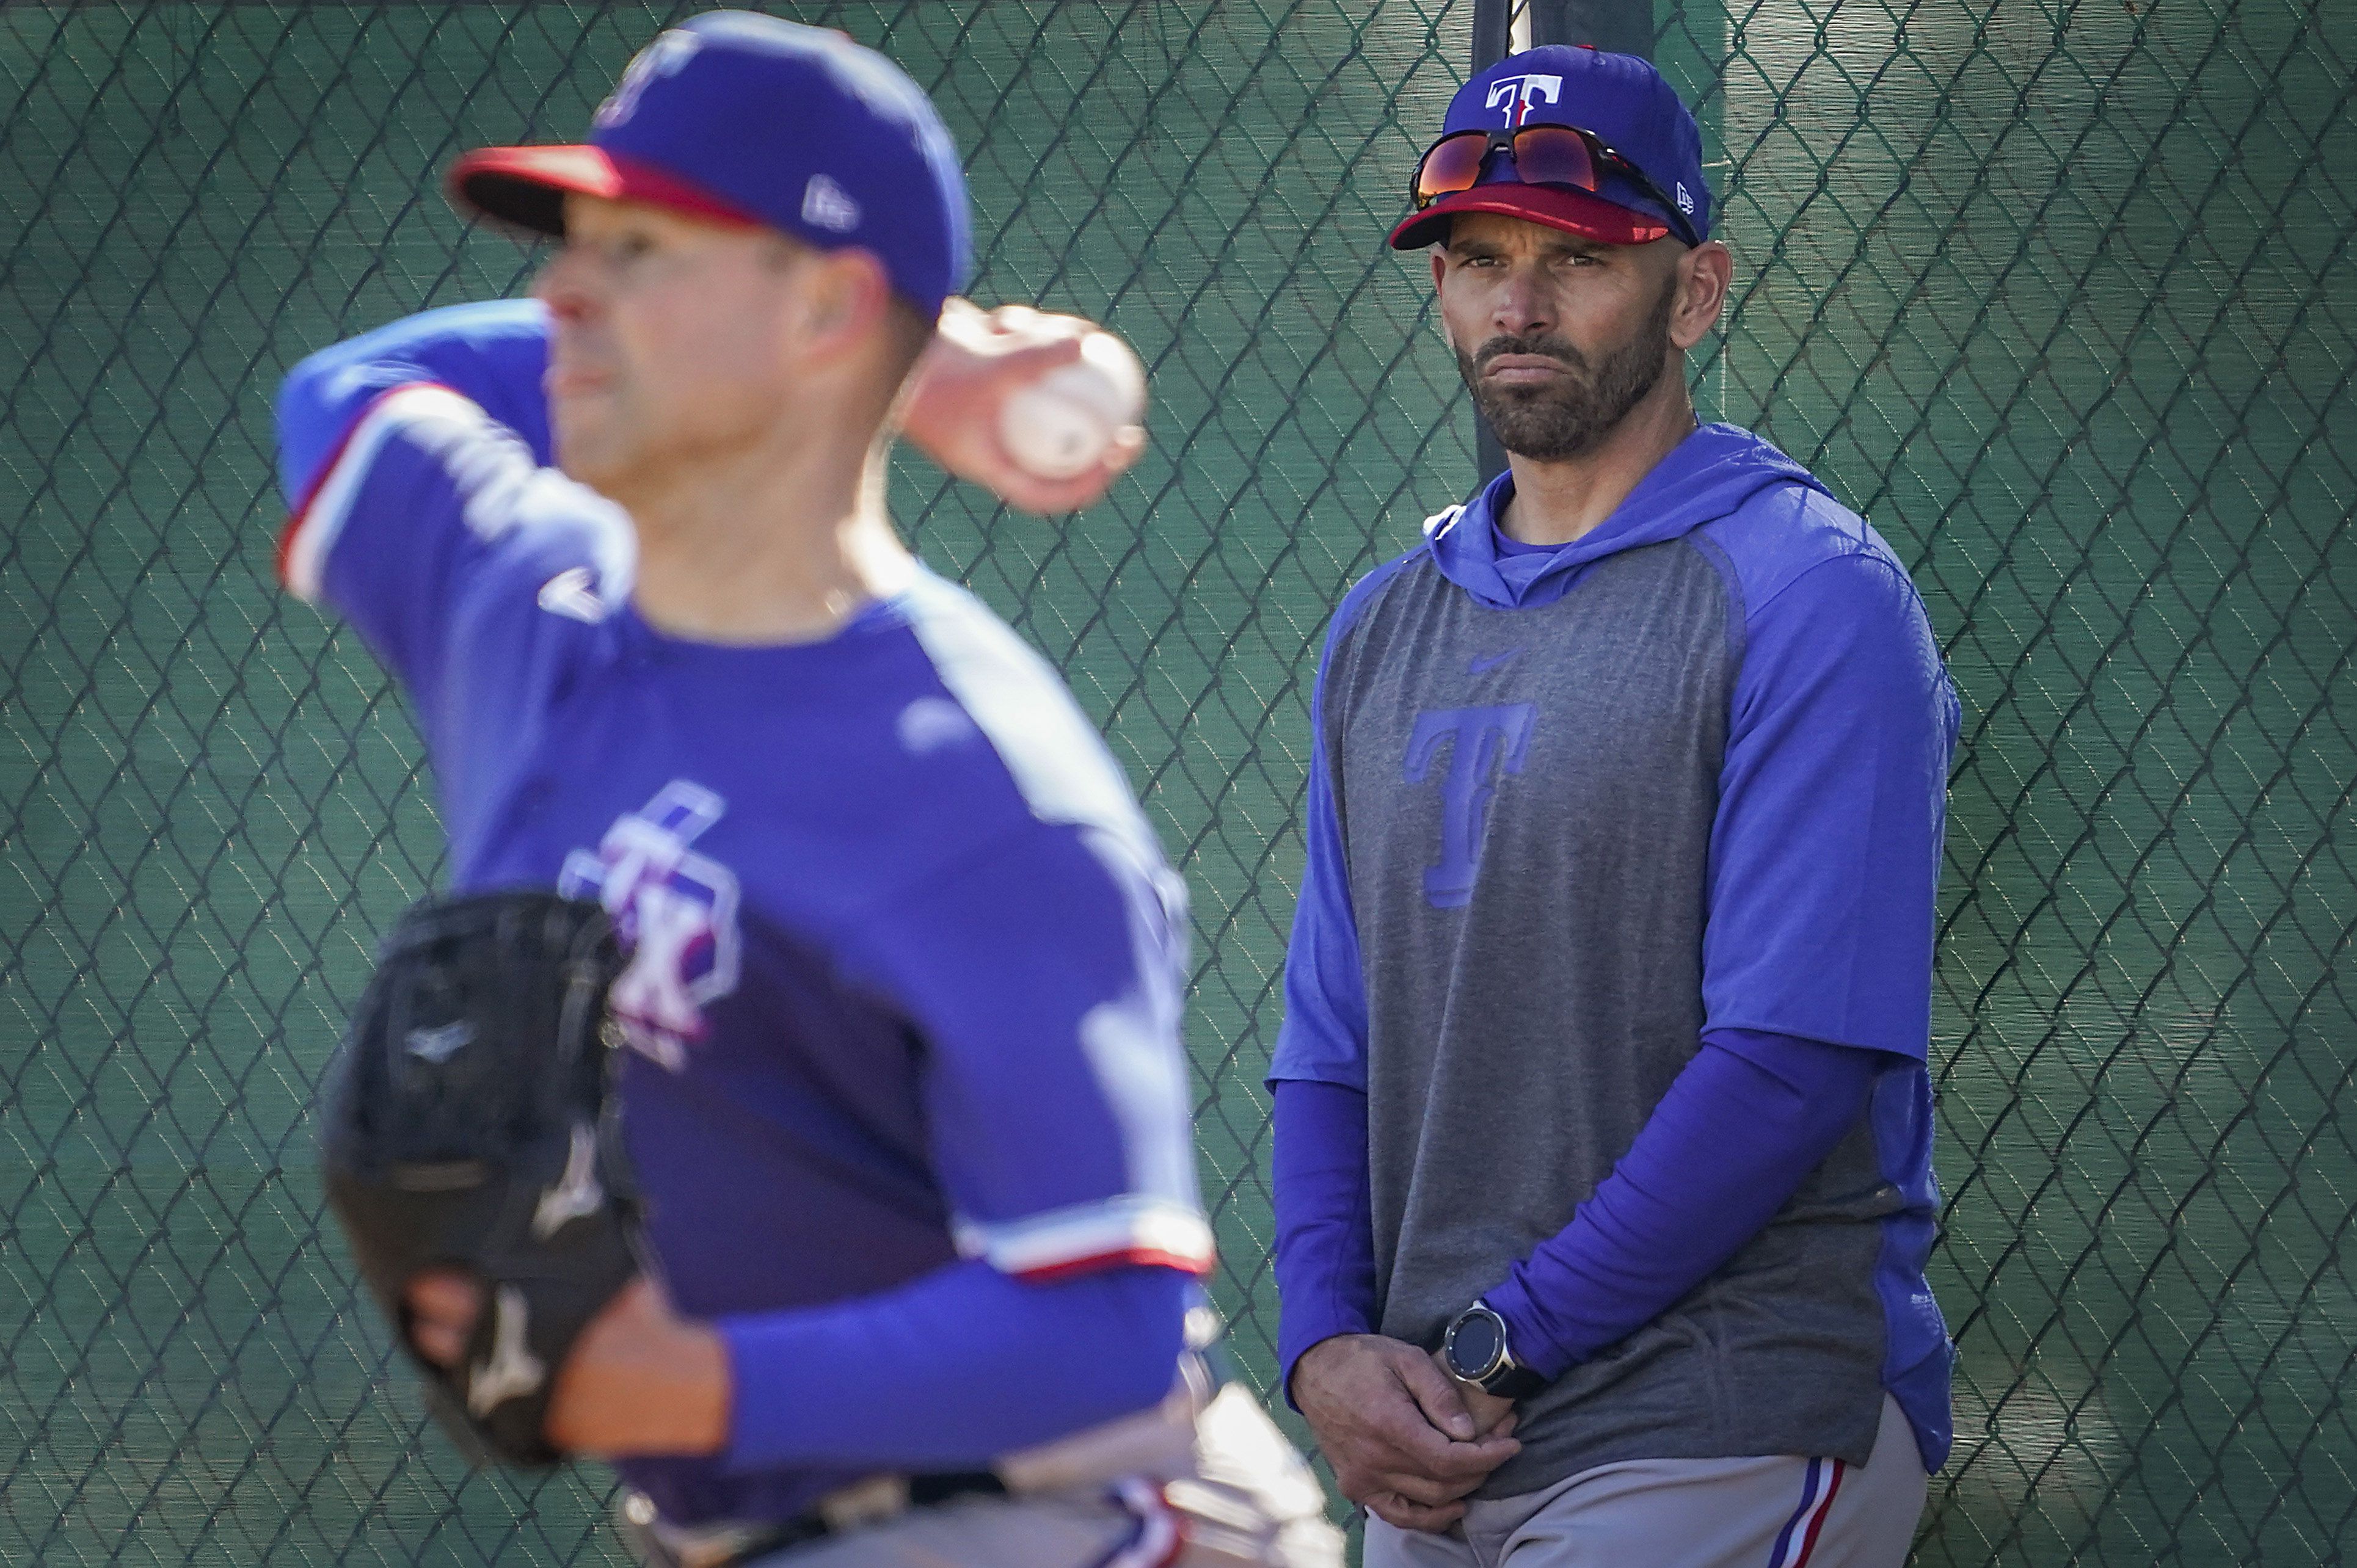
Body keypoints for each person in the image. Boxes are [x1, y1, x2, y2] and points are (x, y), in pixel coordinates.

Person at [274, 13, 1341, 1567]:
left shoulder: (981, 794)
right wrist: (929, 368)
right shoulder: (512, 594)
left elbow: (1104, 1317)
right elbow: (352, 388)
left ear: (827, 304)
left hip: (1064, 1517)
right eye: (573, 240)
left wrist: (686, 1382)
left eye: (640, 249)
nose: (562, 289)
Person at [1269, 44, 1961, 1567]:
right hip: (1440, 1439)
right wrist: (1324, 1349)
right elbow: (1329, 1046)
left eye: (1577, 259)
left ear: (1693, 289)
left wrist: (1491, 1347)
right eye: (1478, 260)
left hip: (1714, 1415)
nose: (1517, 305)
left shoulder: (1810, 594)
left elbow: (1787, 1067)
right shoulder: (1382, 621)